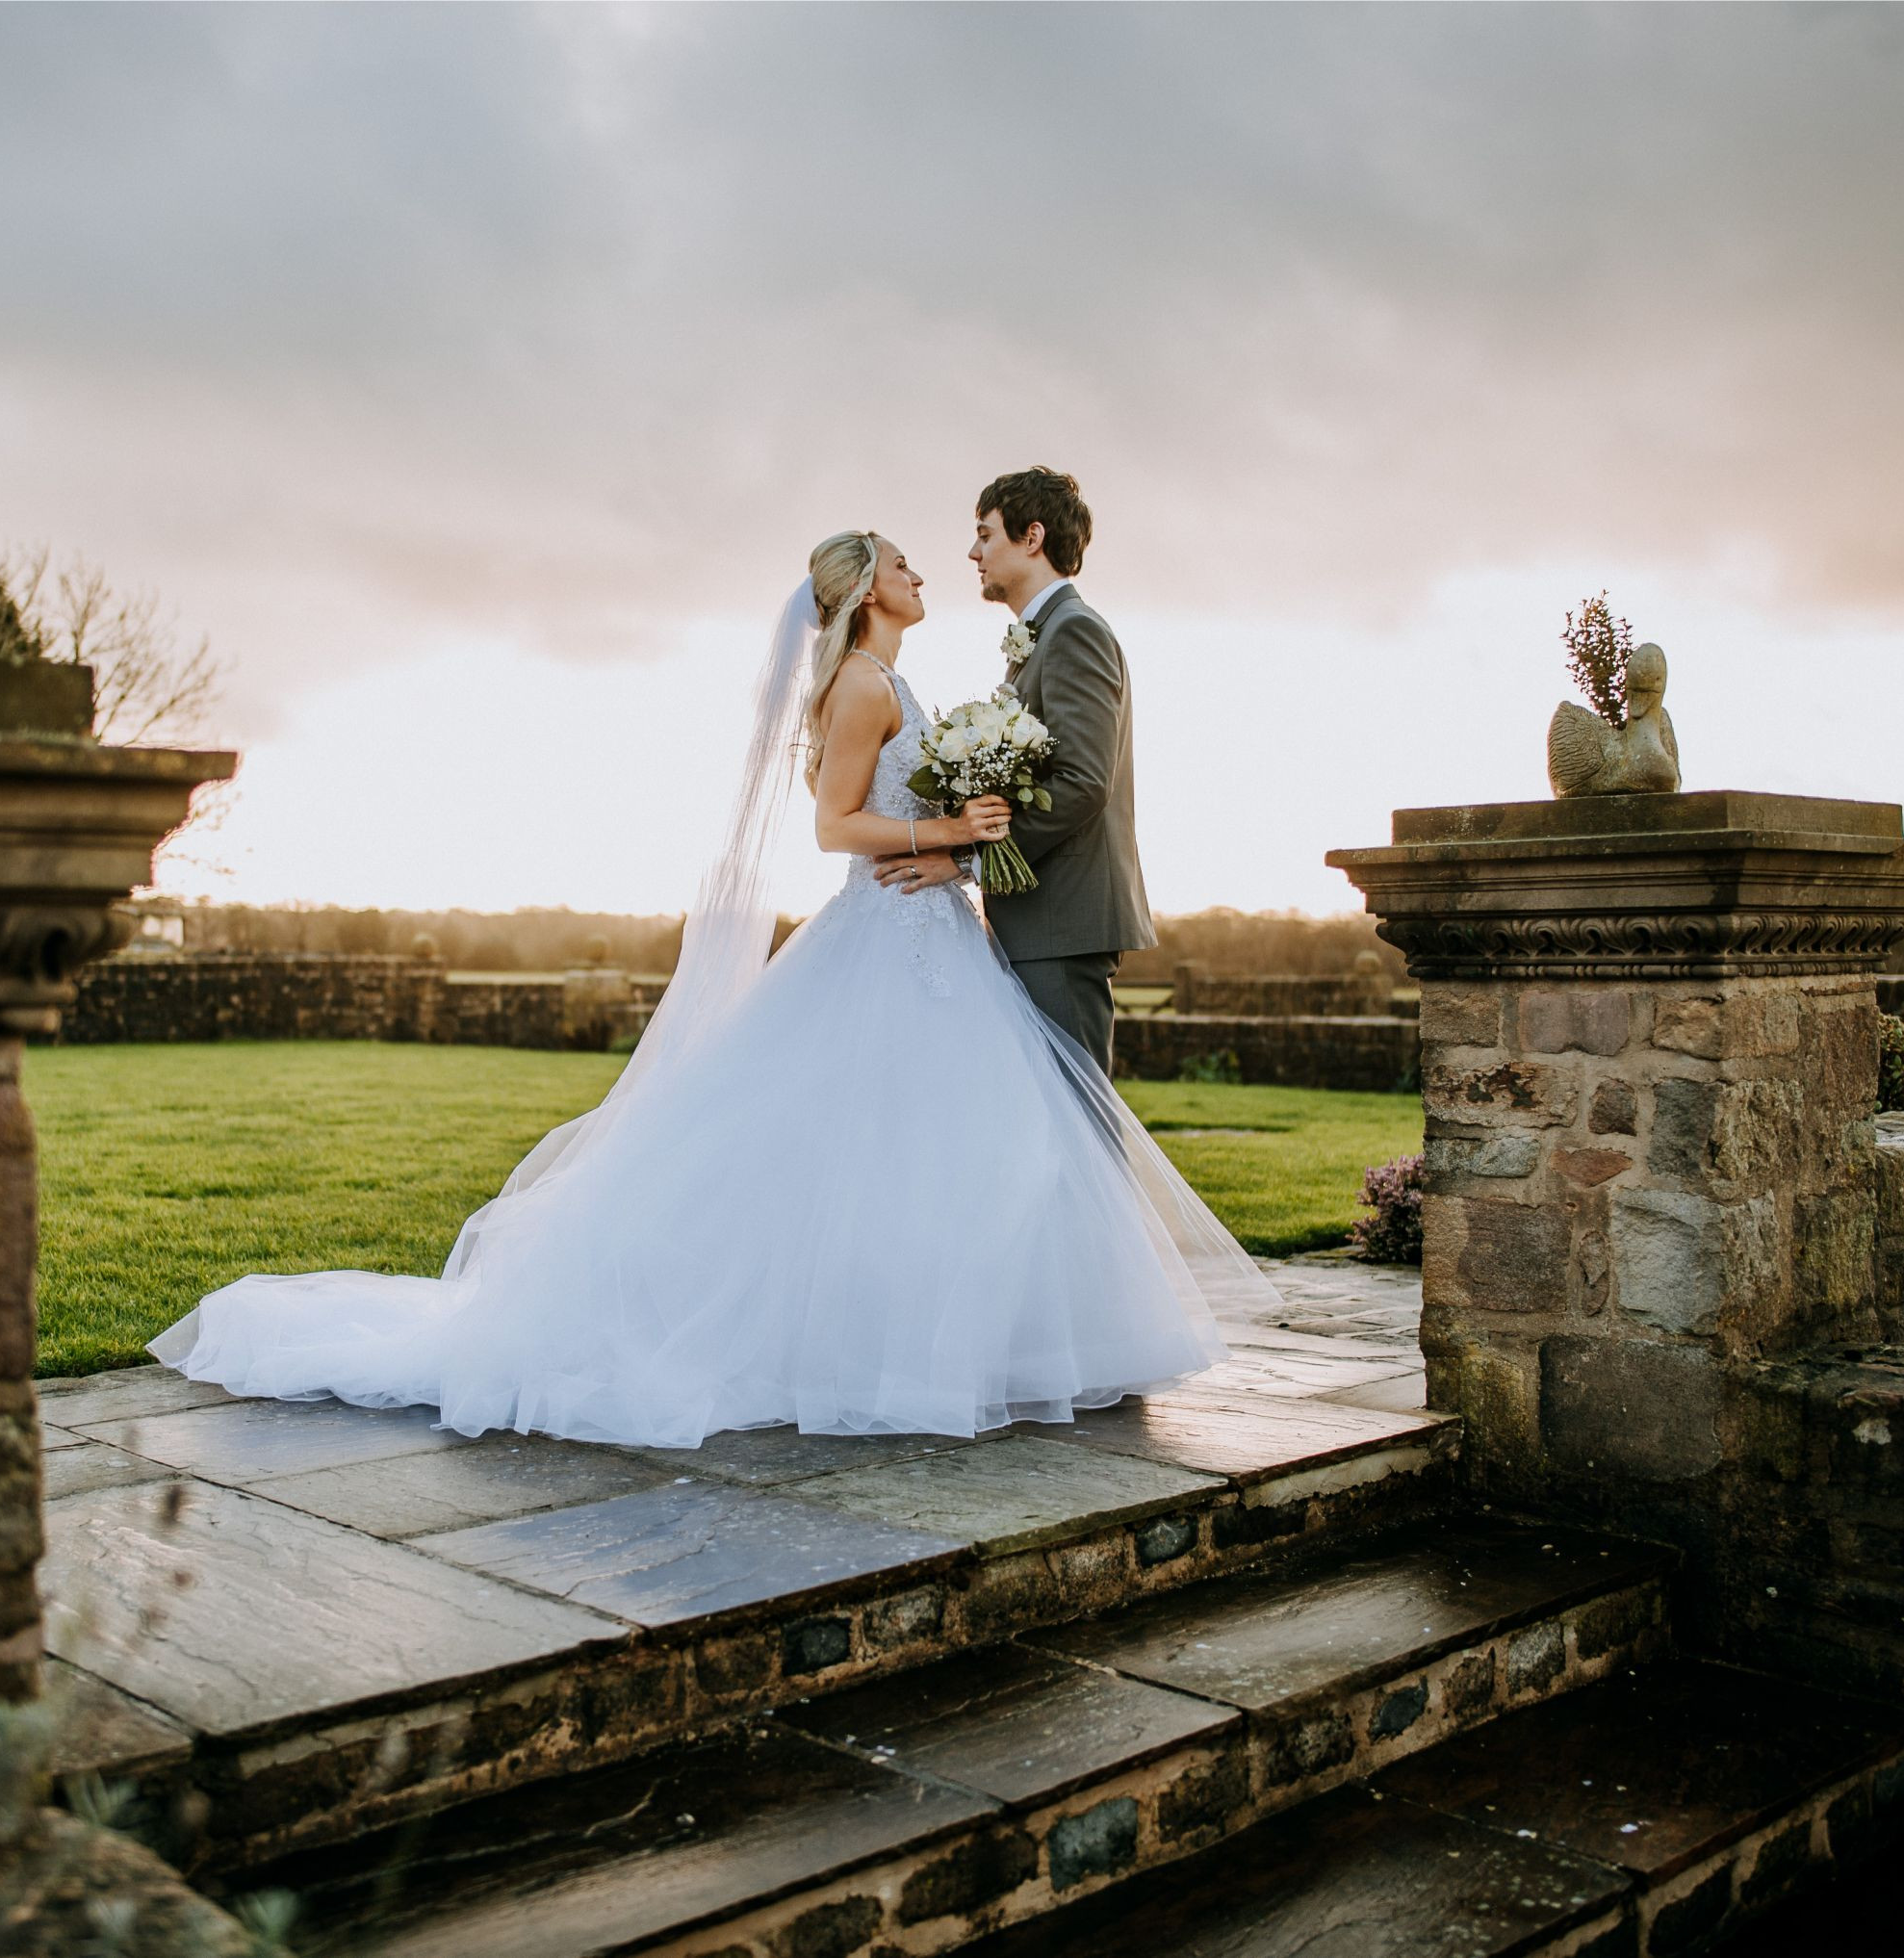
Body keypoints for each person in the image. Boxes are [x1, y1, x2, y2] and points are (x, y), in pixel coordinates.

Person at [149, 528, 1276, 1447]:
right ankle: (877, 1347)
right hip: (885, 934)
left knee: (954, 1148)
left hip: (934, 933)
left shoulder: (894, 676)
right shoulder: (858, 687)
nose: (925, 572)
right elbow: (837, 825)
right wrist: (949, 825)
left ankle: (984, 1337)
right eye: (902, 565)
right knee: (890, 1144)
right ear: (862, 592)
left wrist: (962, 843)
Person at [872, 468, 1146, 1070]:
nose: (973, 552)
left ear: (1032, 537)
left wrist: (966, 858)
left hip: (1064, 920)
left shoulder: (1075, 632)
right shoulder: (1040, 637)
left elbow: (1083, 782)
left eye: (985, 535)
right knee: (1046, 1128)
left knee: (1078, 1130)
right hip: (1036, 918)